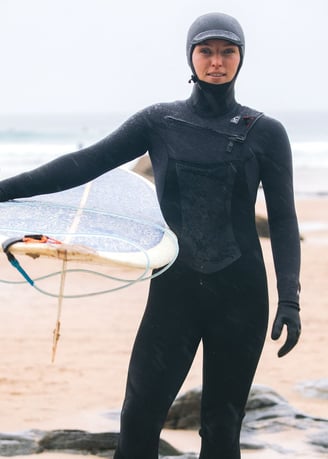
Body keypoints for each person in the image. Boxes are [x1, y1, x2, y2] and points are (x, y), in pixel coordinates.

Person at [0, 12, 301, 459]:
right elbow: (81, 166)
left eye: (227, 51)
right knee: (138, 418)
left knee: (221, 427)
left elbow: (282, 220)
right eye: (206, 51)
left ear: (240, 58)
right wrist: (4, 191)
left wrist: (290, 299)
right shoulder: (159, 122)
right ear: (190, 56)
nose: (216, 62)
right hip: (175, 293)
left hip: (241, 296)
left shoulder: (266, 133)